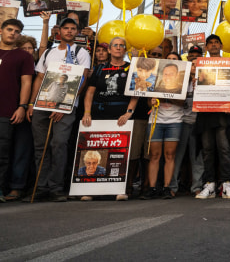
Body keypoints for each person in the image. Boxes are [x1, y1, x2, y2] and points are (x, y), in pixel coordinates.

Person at [27, 18, 91, 202]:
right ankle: (41, 186)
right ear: (59, 31)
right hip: (43, 105)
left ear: (77, 32)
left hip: (66, 107)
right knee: (41, 147)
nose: (69, 31)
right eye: (66, 28)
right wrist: (31, 103)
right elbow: (39, 78)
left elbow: (82, 80)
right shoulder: (48, 52)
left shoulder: (82, 52)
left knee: (59, 145)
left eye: (73, 29)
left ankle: (56, 187)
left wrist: (65, 106)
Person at [82, 36, 137, 201]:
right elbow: (90, 92)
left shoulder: (130, 68)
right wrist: (87, 112)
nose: (118, 48)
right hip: (99, 114)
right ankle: (90, 190)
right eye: (115, 45)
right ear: (109, 49)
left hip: (121, 116)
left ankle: (118, 189)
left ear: (125, 50)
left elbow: (136, 93)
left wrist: (129, 112)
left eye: (122, 46)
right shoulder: (99, 69)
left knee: (119, 153)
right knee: (96, 151)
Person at [195, 37, 230, 200]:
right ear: (206, 47)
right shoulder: (200, 65)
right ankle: (210, 184)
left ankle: (227, 183)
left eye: (216, 42)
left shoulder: (229, 64)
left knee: (224, 149)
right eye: (210, 43)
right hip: (205, 112)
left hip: (223, 113)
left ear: (221, 45)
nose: (213, 45)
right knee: (207, 150)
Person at [0, 19, 36, 202]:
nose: (12, 33)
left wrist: (22, 106)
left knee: (2, 151)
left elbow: (26, 83)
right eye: (9, 29)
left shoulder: (24, 56)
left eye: (16, 31)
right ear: (1, 30)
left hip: (8, 111)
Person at [143, 60, 186, 199]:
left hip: (175, 121)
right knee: (154, 156)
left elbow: (182, 102)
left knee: (170, 155)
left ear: (176, 75)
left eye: (171, 74)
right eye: (165, 74)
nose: (168, 76)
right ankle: (152, 188)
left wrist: (168, 95)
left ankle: (167, 187)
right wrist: (153, 101)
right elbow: (149, 103)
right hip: (156, 120)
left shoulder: (181, 86)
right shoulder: (155, 85)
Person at [170, 46, 204, 197]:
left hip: (198, 123)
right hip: (181, 122)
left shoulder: (206, 81)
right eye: (192, 64)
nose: (195, 67)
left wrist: (200, 89)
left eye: (198, 64)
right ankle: (172, 187)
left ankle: (197, 186)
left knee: (197, 157)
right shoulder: (180, 81)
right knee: (177, 156)